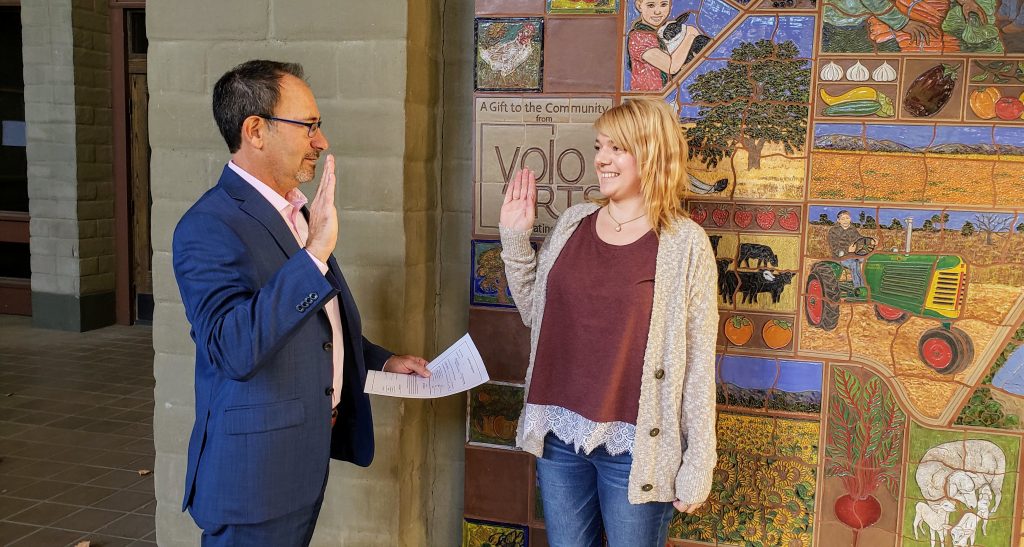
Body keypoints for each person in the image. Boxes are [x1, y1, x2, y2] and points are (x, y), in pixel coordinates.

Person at [172, 60, 429, 547]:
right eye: (309, 125)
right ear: (256, 131)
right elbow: (233, 348)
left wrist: (380, 360)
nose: (321, 140)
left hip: (300, 463)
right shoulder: (207, 226)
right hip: (254, 482)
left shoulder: (295, 207)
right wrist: (313, 255)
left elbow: (314, 324)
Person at [498, 98, 718, 547]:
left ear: (651, 153)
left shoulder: (685, 244)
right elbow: (535, 316)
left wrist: (699, 462)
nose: (601, 159)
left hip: (637, 447)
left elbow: (697, 363)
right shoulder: (573, 222)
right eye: (600, 146)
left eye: (617, 149)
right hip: (559, 434)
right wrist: (515, 239)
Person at [627, 0, 703, 91]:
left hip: (667, 97)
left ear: (670, 5)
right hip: (648, 100)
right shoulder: (639, 37)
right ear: (639, 6)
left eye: (663, 4)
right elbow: (671, 67)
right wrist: (690, 35)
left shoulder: (661, 31)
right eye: (651, 5)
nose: (657, 11)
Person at [826, 210, 875, 289]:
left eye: (847, 218)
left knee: (868, 260)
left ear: (850, 219)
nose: (845, 220)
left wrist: (870, 241)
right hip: (840, 256)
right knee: (854, 264)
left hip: (853, 255)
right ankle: (858, 288)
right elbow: (834, 247)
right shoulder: (833, 231)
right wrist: (847, 250)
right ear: (838, 220)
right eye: (842, 219)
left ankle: (869, 285)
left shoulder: (853, 229)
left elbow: (860, 238)